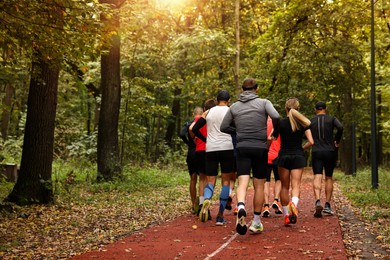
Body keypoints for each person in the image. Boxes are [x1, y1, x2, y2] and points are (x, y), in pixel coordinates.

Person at [220, 78, 280, 235]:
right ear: (257, 89)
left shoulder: (234, 106)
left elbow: (224, 126)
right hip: (260, 148)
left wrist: (239, 132)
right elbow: (276, 117)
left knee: (242, 181)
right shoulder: (264, 103)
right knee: (259, 185)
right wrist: (276, 133)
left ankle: (240, 206)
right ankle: (256, 221)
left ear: (242, 90)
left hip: (242, 147)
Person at [192, 90, 234, 226]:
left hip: (210, 148)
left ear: (216, 100)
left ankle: (207, 200)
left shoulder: (209, 112)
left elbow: (195, 129)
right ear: (228, 100)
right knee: (226, 181)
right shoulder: (231, 110)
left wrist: (206, 139)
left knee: (210, 180)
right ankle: (220, 216)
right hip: (227, 147)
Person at [275, 97, 314, 226]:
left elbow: (271, 137)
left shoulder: (280, 123)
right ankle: (294, 204)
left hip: (283, 156)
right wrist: (301, 148)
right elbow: (311, 142)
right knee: (296, 185)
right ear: (298, 109)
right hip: (298, 155)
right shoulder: (303, 124)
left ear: (286, 108)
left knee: (284, 186)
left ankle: (286, 215)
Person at [310, 101, 343, 217]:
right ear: (325, 108)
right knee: (329, 177)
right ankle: (328, 205)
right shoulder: (332, 119)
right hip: (330, 151)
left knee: (317, 176)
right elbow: (340, 127)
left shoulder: (311, 121)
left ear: (315, 109)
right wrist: (336, 141)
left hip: (316, 151)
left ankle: (318, 201)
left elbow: (304, 133)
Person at [189, 99, 216, 219]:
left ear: (204, 109)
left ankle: (200, 204)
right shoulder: (214, 119)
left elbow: (191, 128)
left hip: (199, 150)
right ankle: (207, 204)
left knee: (202, 179)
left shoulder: (200, 119)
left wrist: (194, 138)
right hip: (210, 150)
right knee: (210, 179)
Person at [180, 107, 203, 214]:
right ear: (202, 113)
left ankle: (194, 205)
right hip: (202, 151)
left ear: (193, 113)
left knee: (193, 179)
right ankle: (202, 203)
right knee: (203, 178)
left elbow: (181, 134)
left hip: (192, 152)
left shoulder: (188, 123)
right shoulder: (203, 122)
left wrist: (188, 142)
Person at [262, 117, 282, 217]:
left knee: (266, 180)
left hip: (265, 154)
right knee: (279, 179)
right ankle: (276, 200)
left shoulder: (261, 122)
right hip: (278, 155)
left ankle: (266, 205)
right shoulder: (279, 123)